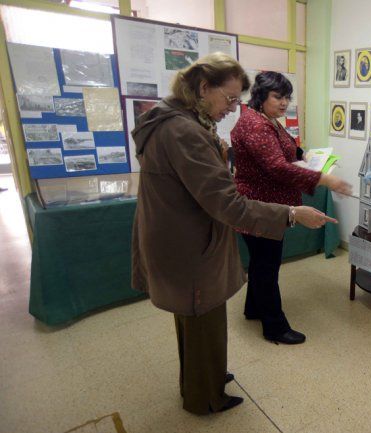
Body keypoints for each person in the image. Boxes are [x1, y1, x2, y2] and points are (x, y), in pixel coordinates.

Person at [131, 53, 335, 415]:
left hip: (182, 234)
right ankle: (204, 398)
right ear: (203, 88)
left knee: (197, 321)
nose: (232, 108)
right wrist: (292, 213)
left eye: (238, 100)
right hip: (189, 242)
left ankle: (205, 376)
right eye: (228, 99)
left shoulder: (179, 121)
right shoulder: (184, 131)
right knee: (202, 317)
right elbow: (229, 204)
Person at [231, 71, 352, 345]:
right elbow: (275, 166)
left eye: (287, 97)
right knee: (267, 265)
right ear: (261, 96)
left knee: (262, 263)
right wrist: (324, 179)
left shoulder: (267, 120)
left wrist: (304, 155)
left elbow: (286, 148)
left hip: (268, 205)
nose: (284, 102)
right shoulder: (255, 125)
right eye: (278, 96)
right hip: (260, 207)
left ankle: (254, 309)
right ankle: (274, 327)